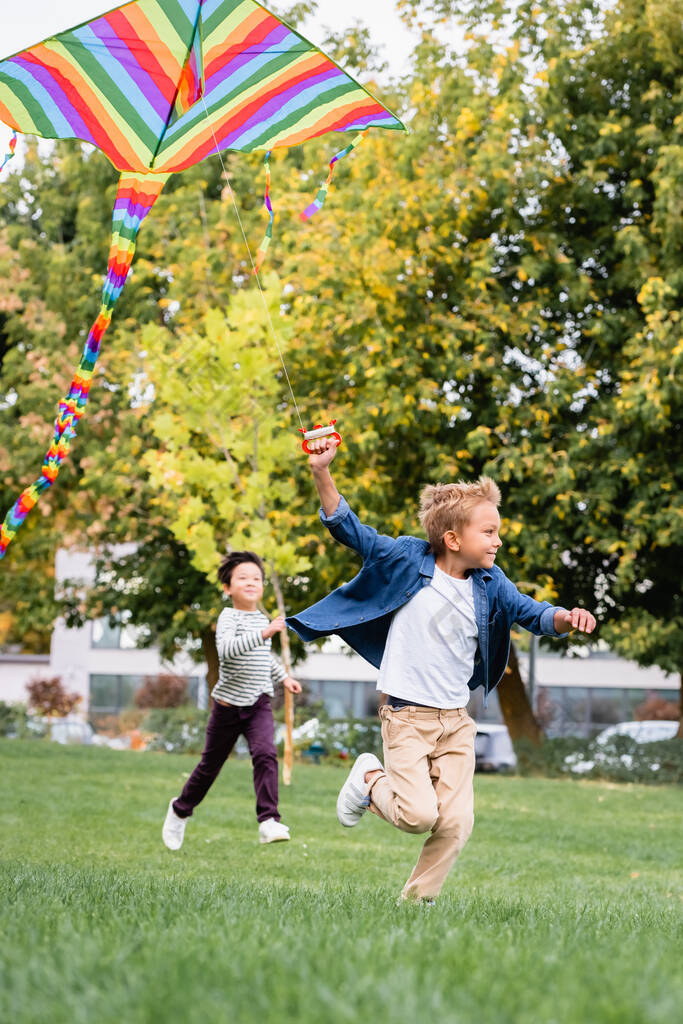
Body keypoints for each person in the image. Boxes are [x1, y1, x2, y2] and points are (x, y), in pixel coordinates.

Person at [287, 438, 596, 902]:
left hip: (455, 721)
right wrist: (321, 472)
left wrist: (564, 618)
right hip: (407, 716)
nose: (499, 540)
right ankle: (369, 780)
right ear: (453, 539)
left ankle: (416, 903)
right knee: (417, 816)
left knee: (456, 822)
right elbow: (350, 530)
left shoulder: (492, 584)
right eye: (488, 532)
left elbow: (532, 612)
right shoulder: (406, 559)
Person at [162, 551, 302, 849]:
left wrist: (284, 677)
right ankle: (179, 810)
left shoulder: (262, 620)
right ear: (228, 588)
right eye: (243, 578)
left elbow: (263, 656)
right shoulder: (229, 618)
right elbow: (227, 650)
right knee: (209, 767)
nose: (252, 582)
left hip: (258, 705)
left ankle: (268, 821)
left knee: (265, 755)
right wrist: (265, 633)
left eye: (257, 578)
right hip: (226, 708)